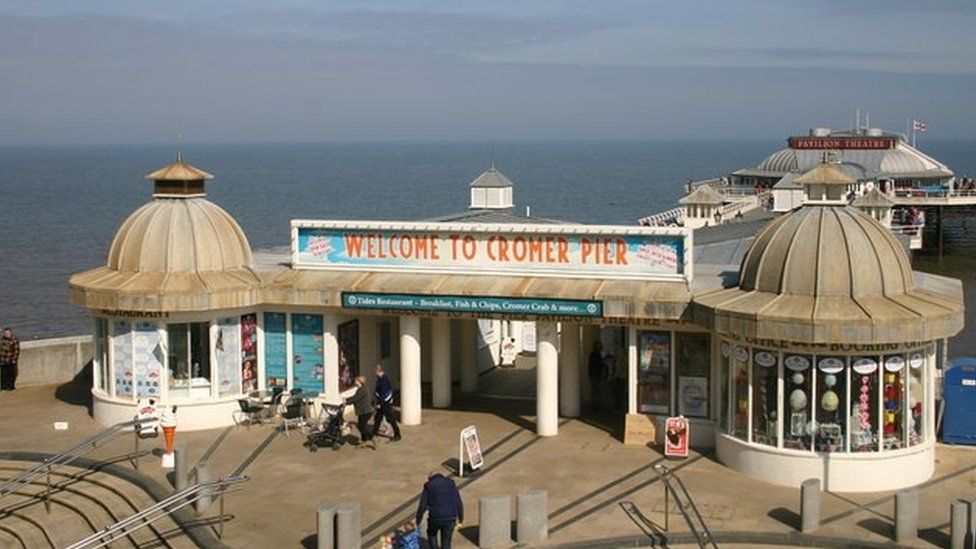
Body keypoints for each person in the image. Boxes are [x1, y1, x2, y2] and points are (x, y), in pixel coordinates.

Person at [416, 471, 463, 549]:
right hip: (451, 517)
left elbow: (422, 506)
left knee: (432, 533)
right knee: (446, 541)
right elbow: (458, 502)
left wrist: (418, 520)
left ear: (430, 478)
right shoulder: (451, 483)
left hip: (435, 517)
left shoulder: (429, 485)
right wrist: (461, 518)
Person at [371, 364, 402, 442]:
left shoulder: (383, 379)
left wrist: (380, 403)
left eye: (375, 372)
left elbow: (385, 393)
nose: (374, 374)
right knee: (378, 418)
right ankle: (374, 433)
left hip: (385, 403)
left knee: (390, 418)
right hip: (382, 402)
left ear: (377, 371)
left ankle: (397, 434)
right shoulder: (380, 378)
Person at [346, 376, 375, 449]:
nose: (355, 381)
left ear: (359, 381)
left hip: (365, 411)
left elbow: (355, 398)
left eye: (356, 380)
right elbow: (355, 397)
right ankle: (363, 441)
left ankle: (371, 437)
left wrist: (346, 401)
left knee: (361, 426)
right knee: (362, 426)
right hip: (364, 411)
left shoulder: (362, 389)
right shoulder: (363, 388)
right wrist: (347, 400)